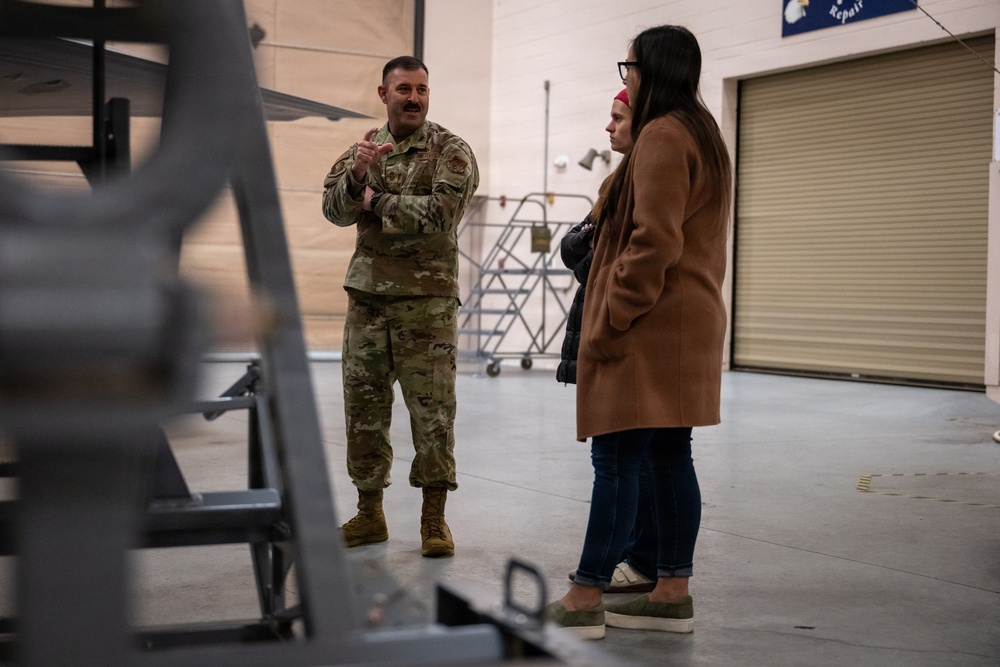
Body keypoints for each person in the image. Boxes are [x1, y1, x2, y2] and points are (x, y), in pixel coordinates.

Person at [545, 25, 733, 639]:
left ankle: (584, 596)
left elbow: (653, 242)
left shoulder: (661, 135)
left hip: (651, 325)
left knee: (617, 458)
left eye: (628, 65)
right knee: (668, 454)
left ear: (650, 69)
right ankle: (671, 591)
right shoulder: (702, 132)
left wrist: (611, 315)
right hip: (686, 322)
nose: (624, 76)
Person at [321, 56, 480, 558]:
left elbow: (440, 214)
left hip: (426, 306)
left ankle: (434, 520)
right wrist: (356, 181)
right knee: (363, 411)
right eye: (404, 89)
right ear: (383, 94)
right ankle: (370, 515)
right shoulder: (363, 152)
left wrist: (375, 203)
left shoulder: (452, 152)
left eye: (422, 89)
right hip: (367, 301)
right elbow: (332, 209)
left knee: (432, 413)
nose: (414, 98)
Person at [559, 89, 657, 595]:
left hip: (623, 335)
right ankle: (631, 557)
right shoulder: (612, 182)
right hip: (600, 326)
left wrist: (611, 311)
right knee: (631, 459)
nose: (608, 127)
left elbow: (622, 260)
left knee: (627, 460)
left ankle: (622, 568)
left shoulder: (647, 181)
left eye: (617, 118)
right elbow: (574, 247)